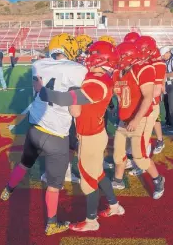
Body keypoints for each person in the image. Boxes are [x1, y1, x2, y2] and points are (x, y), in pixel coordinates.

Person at [0, 33, 87, 235]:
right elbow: (75, 111)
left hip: (35, 129)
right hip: (57, 135)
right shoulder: (78, 70)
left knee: (24, 163)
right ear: (70, 49)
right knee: (54, 186)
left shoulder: (39, 65)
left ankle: (7, 189)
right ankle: (51, 223)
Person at [34, 41, 125, 232]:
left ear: (99, 58)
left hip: (90, 136)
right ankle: (114, 206)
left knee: (88, 180)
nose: (87, 57)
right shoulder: (100, 76)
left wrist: (42, 91)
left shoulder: (97, 83)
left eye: (91, 54)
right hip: (96, 132)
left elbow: (67, 101)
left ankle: (91, 221)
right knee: (97, 174)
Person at [111, 41, 165, 199]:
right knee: (118, 154)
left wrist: (136, 119)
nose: (117, 59)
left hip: (138, 119)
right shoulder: (118, 72)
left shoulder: (142, 69)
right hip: (124, 120)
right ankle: (118, 180)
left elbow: (148, 98)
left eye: (119, 57)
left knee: (139, 157)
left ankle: (158, 179)